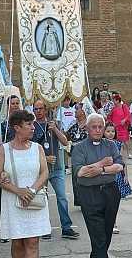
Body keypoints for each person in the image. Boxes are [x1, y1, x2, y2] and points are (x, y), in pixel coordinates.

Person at [0, 110, 51, 257]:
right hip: (13, 200)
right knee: (17, 243)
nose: (33, 127)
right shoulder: (4, 149)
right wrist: (18, 191)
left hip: (34, 197)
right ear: (17, 127)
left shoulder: (37, 148)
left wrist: (31, 191)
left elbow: (45, 173)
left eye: (33, 124)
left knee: (33, 242)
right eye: (29, 124)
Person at [71, 113, 124, 258]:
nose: (97, 130)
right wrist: (102, 163)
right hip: (89, 194)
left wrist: (100, 170)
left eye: (100, 127)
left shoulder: (110, 145)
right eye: (94, 127)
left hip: (111, 192)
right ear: (87, 128)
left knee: (106, 234)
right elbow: (81, 172)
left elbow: (119, 166)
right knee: (98, 235)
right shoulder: (79, 148)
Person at [31, 100, 80, 240]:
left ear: (46, 109)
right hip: (41, 169)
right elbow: (31, 148)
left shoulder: (53, 124)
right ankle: (45, 226)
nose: (38, 111)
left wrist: (56, 130)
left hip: (57, 167)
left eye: (41, 108)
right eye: (36, 109)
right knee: (43, 199)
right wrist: (45, 158)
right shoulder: (32, 127)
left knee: (62, 197)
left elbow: (65, 142)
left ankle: (66, 226)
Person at [104, 122, 132, 234]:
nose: (110, 134)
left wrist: (125, 175)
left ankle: (114, 223)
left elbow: (123, 161)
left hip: (118, 175)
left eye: (112, 131)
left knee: (114, 201)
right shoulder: (102, 144)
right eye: (108, 131)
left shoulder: (119, 145)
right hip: (105, 174)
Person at [66, 100, 94, 206]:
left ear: (83, 111)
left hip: (88, 153)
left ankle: (90, 199)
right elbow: (67, 135)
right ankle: (81, 201)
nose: (75, 111)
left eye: (77, 109)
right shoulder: (73, 123)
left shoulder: (89, 123)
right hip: (75, 153)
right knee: (76, 177)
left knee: (88, 175)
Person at [108, 94, 132, 159]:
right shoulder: (113, 109)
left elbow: (128, 114)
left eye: (114, 100)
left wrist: (124, 120)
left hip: (123, 126)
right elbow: (109, 116)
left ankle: (129, 153)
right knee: (117, 141)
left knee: (125, 140)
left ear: (118, 100)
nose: (113, 102)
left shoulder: (124, 106)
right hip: (116, 127)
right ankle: (119, 153)